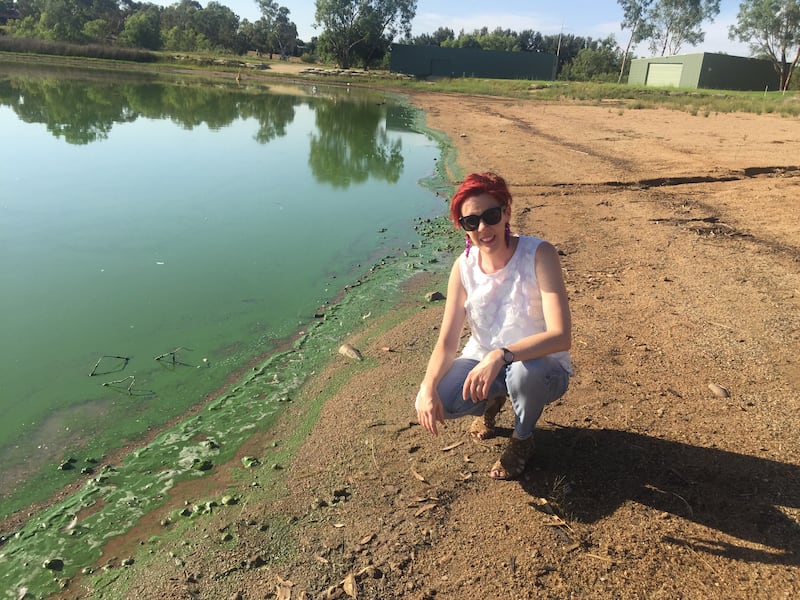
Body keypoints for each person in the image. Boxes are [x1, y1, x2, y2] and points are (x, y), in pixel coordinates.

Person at [415, 172, 573, 479]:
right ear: (463, 227)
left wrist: (500, 355)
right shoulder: (463, 267)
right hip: (486, 360)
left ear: (507, 212)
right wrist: (426, 387)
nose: (483, 229)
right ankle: (494, 402)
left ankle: (522, 438)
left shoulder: (540, 254)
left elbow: (560, 336)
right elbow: (447, 342)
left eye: (491, 216)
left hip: (541, 367)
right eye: (471, 222)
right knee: (442, 397)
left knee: (527, 372)